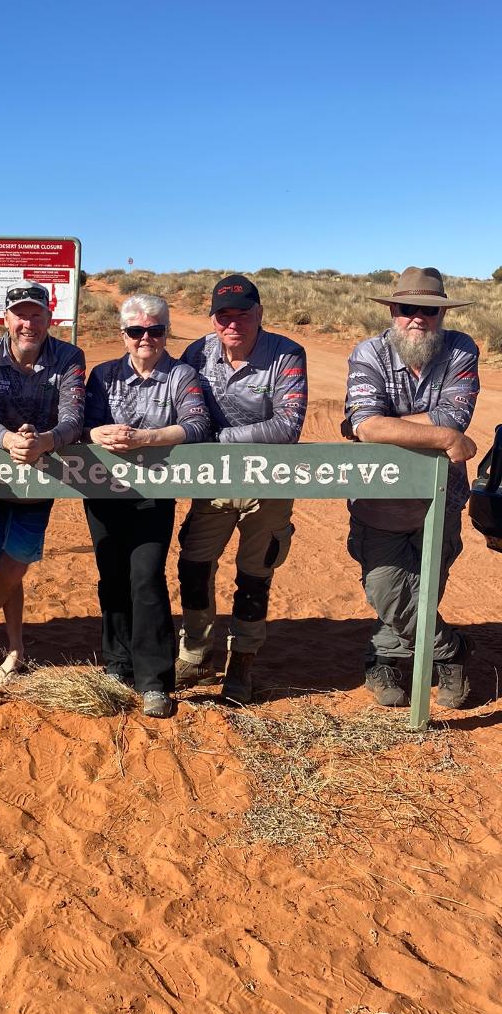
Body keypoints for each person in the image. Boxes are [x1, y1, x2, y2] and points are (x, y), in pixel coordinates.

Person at [344, 266, 479, 709]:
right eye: (408, 309)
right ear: (393, 311)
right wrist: (442, 438)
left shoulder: (460, 350)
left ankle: (381, 658)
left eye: (429, 310)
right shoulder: (369, 353)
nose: (417, 318)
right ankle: (451, 650)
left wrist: (385, 427)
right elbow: (368, 426)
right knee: (387, 588)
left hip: (440, 499)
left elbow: (452, 417)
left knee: (422, 589)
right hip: (378, 499)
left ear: (441, 315)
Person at [176, 273, 308, 704]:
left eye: (242, 314)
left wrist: (217, 440)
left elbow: (287, 427)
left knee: (255, 575)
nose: (233, 324)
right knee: (194, 566)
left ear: (259, 314)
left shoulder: (286, 353)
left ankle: (242, 661)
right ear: (213, 319)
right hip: (213, 482)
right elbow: (180, 404)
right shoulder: (196, 353)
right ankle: (196, 653)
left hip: (268, 482)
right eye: (223, 316)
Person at [84, 294, 211, 718]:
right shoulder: (102, 376)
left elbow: (197, 424)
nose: (146, 338)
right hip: (103, 492)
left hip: (153, 494)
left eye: (155, 330)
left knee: (146, 577)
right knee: (111, 577)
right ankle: (118, 666)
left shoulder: (181, 375)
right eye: (137, 331)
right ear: (123, 335)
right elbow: (83, 424)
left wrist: (145, 438)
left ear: (166, 332)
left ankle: (154, 679)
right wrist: (96, 433)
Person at [0, 281, 86, 680]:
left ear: (50, 318)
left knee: (16, 563)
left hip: (41, 472)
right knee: (6, 563)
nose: (28, 323)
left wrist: (44, 441)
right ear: (6, 319)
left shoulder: (69, 357)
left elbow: (74, 417)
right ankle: (15, 647)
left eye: (36, 315)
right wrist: (12, 440)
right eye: (20, 315)